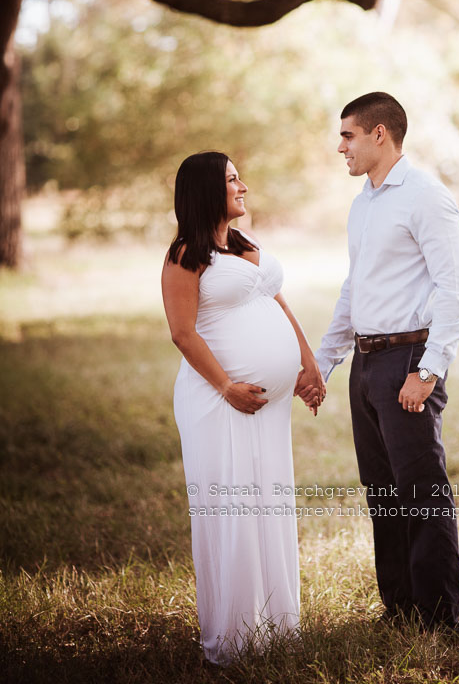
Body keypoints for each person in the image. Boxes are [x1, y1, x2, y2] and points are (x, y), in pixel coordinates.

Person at [310, 92, 459, 632]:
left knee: (421, 490)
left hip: (408, 358)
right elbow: (355, 290)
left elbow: (455, 290)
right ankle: (399, 607)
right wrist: (323, 361)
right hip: (366, 362)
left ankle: (438, 616)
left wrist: (427, 371)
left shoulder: (426, 196)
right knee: (382, 492)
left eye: (347, 135)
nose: (340, 147)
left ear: (380, 134)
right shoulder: (364, 202)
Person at [161, 151, 325, 665]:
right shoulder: (184, 254)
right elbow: (182, 333)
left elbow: (277, 300)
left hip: (270, 409)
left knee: (269, 505)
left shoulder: (243, 245)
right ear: (207, 189)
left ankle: (277, 626)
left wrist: (308, 363)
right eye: (232, 179)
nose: (243, 187)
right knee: (232, 510)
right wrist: (227, 386)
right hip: (218, 404)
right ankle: (231, 641)